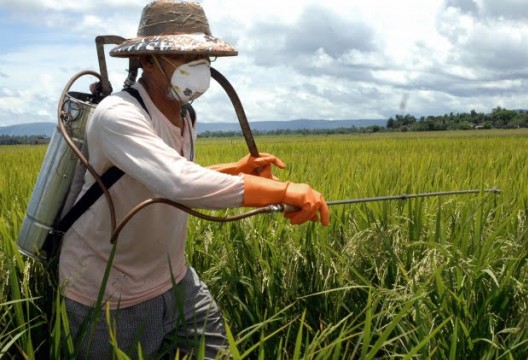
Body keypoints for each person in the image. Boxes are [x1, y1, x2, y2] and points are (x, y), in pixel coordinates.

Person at [58, 1, 330, 358]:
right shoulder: (118, 115)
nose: (197, 65)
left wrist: (236, 169)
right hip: (108, 292)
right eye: (183, 56)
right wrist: (283, 190)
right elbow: (179, 182)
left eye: (202, 55)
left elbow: (166, 176)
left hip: (175, 279)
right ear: (148, 61)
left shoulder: (185, 115)